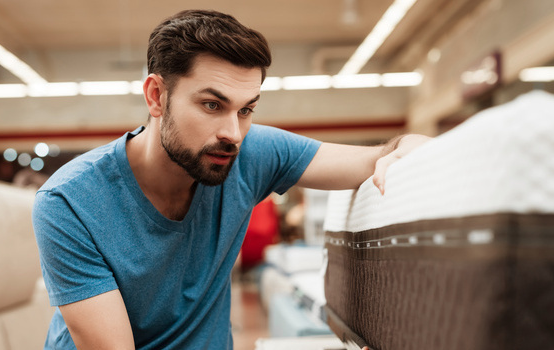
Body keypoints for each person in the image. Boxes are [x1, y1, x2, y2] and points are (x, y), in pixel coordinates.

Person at [32, 9, 430, 350]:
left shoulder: (249, 151)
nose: (233, 134)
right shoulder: (69, 203)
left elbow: (379, 157)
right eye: (212, 104)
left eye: (246, 109)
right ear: (156, 96)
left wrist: (414, 145)